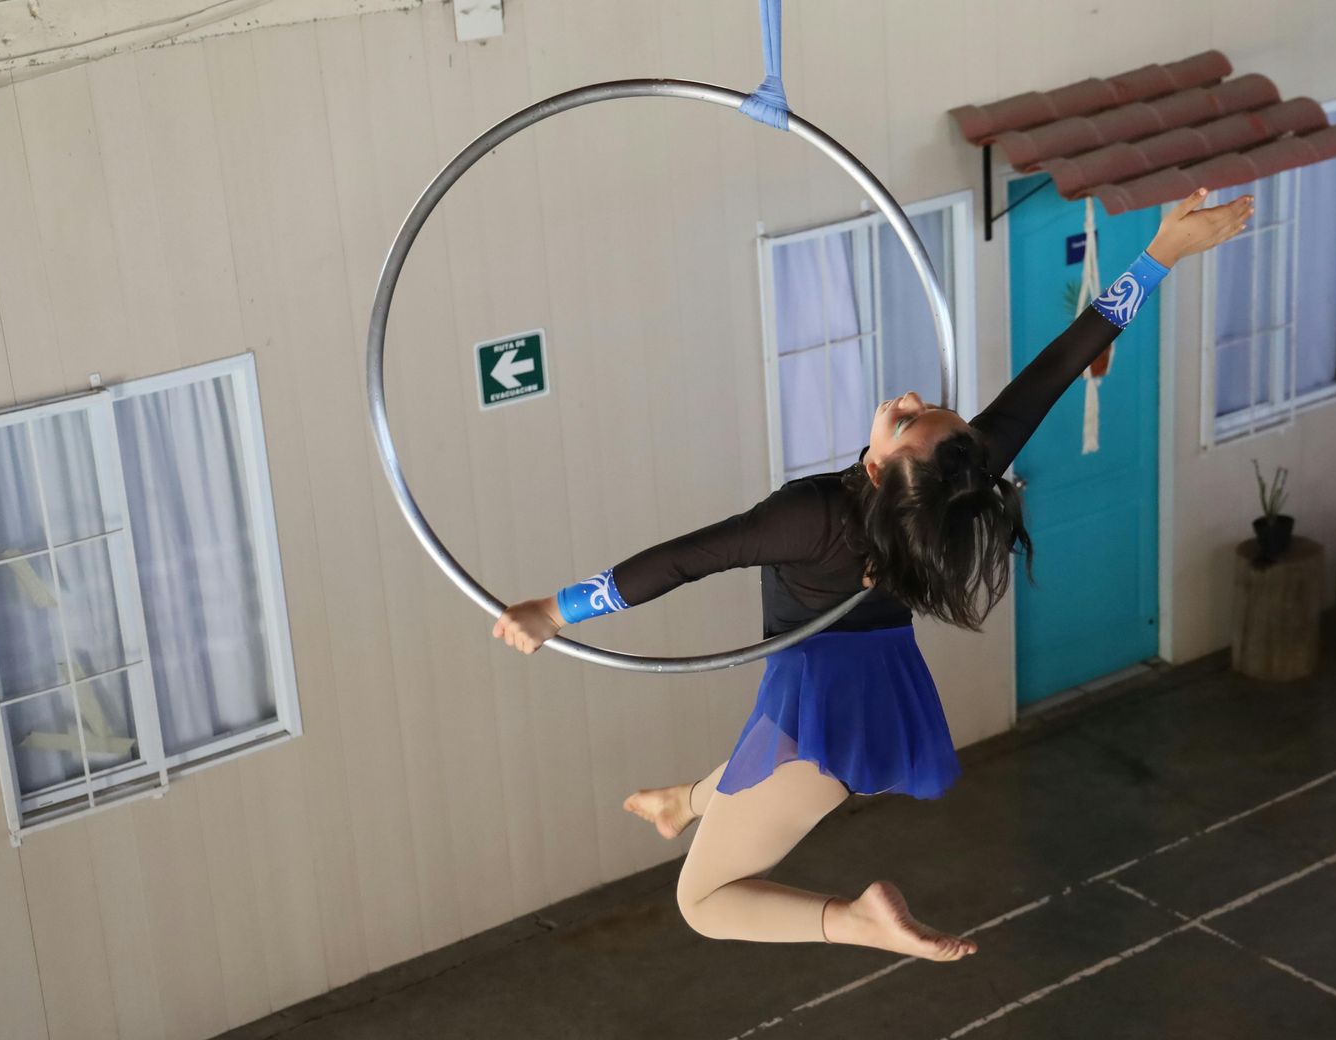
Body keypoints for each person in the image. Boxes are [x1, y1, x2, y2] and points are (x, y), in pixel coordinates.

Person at [494, 188, 1253, 961]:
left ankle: (854, 920)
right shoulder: (954, 480)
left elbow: (683, 560)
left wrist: (555, 612)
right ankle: (682, 804)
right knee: (759, 768)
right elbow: (1057, 368)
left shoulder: (815, 513)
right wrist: (1162, 254)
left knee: (704, 901)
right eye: (930, 409)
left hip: (824, 710)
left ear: (876, 465)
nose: (907, 399)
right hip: (873, 684)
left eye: (903, 420)